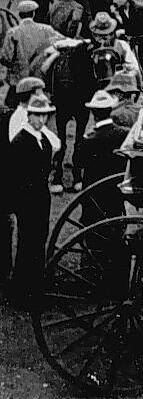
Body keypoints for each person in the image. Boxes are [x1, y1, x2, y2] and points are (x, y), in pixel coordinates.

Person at [4, 92, 60, 295]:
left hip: (41, 196)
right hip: (27, 198)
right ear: (29, 115)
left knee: (39, 239)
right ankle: (23, 287)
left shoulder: (42, 139)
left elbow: (57, 143)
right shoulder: (20, 141)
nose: (42, 119)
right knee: (28, 241)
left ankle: (35, 283)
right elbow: (15, 175)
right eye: (38, 115)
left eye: (45, 116)